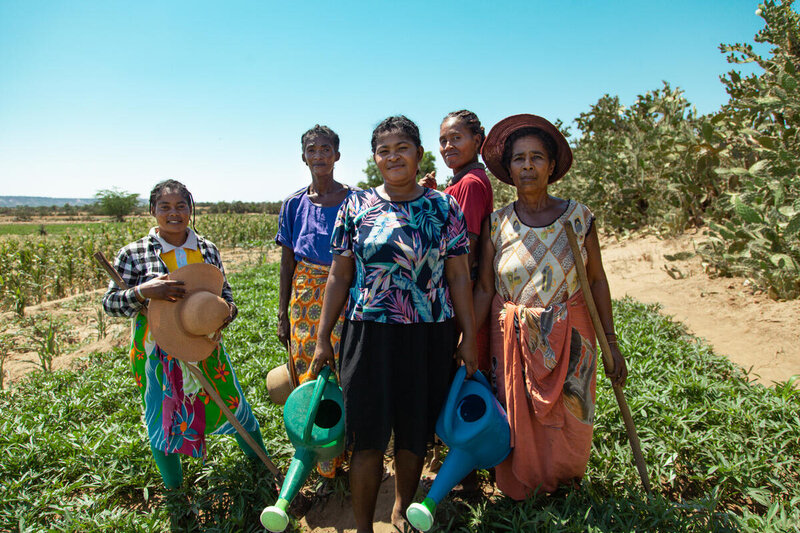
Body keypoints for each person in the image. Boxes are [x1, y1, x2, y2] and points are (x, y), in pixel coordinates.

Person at [310, 116, 478, 533]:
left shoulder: (444, 207)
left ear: (418, 154)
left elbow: (458, 275)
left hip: (428, 335)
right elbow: (339, 275)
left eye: (401, 147)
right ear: (374, 159)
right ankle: (364, 524)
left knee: (413, 431)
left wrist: (469, 336)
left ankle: (402, 507)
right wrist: (322, 338)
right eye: (383, 150)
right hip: (368, 334)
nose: (392, 156)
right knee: (365, 436)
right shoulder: (357, 205)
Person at [473, 114, 628, 500]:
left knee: (571, 414)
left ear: (552, 165)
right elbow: (483, 289)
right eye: (519, 159)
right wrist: (463, 339)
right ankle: (521, 487)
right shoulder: (496, 224)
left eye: (537, 157)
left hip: (573, 332)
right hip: (510, 336)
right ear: (508, 169)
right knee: (515, 410)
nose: (528, 166)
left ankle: (565, 485)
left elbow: (596, 280)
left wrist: (611, 341)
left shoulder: (578, 217)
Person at [102, 179, 266, 491]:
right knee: (162, 418)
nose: (173, 213)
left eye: (181, 206)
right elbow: (111, 304)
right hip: (155, 351)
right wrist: (143, 291)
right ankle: (176, 493)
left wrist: (227, 312)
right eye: (165, 206)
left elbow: (225, 293)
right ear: (153, 211)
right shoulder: (133, 254)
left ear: (190, 210)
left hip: (203, 343)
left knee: (233, 406)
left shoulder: (206, 249)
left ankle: (261, 471)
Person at [275, 124, 353, 486]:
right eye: (312, 149)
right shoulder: (293, 204)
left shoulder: (356, 199)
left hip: (347, 292)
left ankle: (347, 449)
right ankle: (322, 460)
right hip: (304, 297)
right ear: (303, 156)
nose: (319, 155)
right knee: (310, 371)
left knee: (346, 371)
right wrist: (281, 313)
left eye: (326, 149)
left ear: (337, 156)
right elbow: (287, 262)